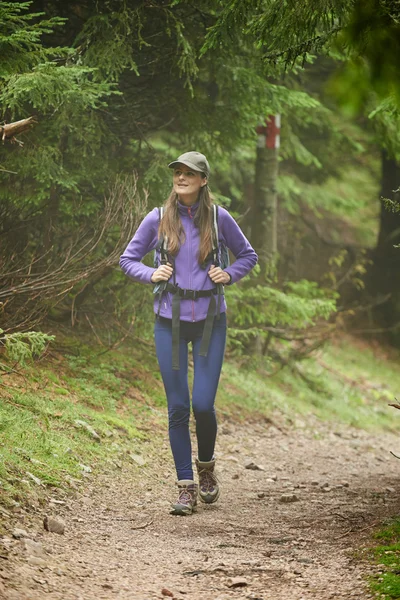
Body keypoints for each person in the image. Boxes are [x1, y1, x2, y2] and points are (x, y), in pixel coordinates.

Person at [119, 151, 257, 515]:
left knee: (202, 405)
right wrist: (151, 274)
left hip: (212, 321)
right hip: (170, 322)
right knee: (178, 407)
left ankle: (207, 467)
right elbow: (127, 259)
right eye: (177, 172)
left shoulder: (218, 217)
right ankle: (185, 487)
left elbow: (248, 255)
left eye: (189, 173)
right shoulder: (158, 218)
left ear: (203, 180)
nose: (181, 178)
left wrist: (229, 274)